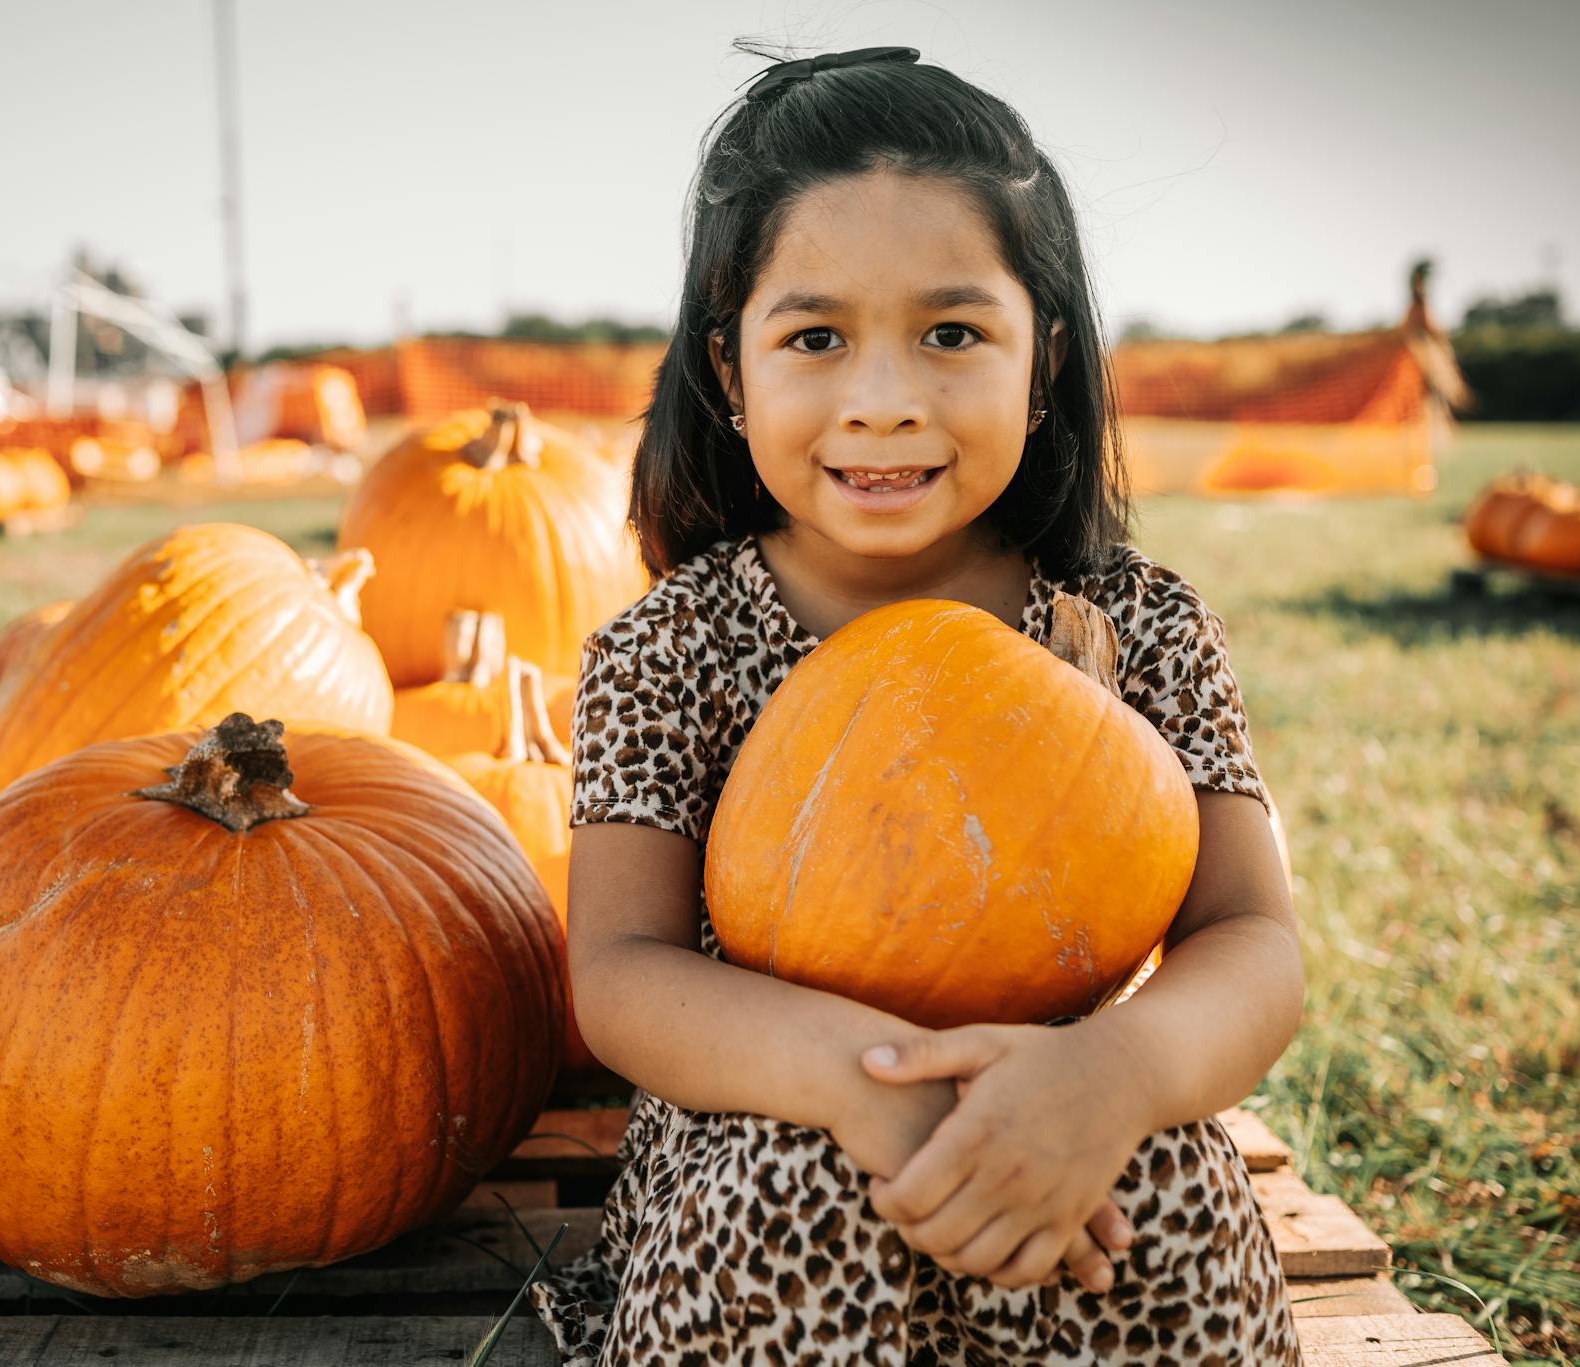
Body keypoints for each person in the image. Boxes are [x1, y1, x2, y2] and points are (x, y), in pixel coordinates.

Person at [529, 44, 1307, 1366]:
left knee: (1165, 1188)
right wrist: (854, 1081)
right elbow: (620, 974)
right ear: (729, 371)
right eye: (815, 338)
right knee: (796, 1191)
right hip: (772, 1109)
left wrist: (1114, 1079)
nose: (883, 402)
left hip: (1058, 1104)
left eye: (952, 334)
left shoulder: (1142, 628)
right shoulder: (672, 647)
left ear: (1044, 356)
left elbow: (1254, 942)